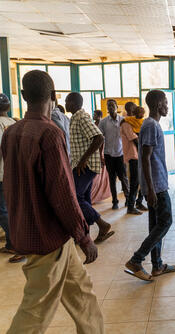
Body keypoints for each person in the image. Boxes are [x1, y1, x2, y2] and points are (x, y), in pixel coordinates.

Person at [2, 70, 103, 333]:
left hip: (42, 233)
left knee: (83, 296)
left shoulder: (10, 133)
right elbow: (63, 195)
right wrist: (84, 236)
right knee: (35, 312)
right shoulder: (50, 134)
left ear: (23, 96)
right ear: (55, 96)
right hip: (47, 238)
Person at [124, 90, 175, 281]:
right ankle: (136, 259)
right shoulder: (150, 125)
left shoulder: (152, 125)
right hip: (156, 185)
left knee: (156, 224)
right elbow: (146, 159)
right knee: (166, 221)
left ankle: (157, 266)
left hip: (157, 183)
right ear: (157, 104)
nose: (167, 106)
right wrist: (150, 189)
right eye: (165, 103)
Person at [67, 92, 114, 243]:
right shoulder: (75, 118)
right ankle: (85, 233)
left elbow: (99, 137)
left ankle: (102, 224)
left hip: (84, 166)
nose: (65, 103)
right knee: (84, 199)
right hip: (81, 165)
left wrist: (82, 161)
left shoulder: (81, 117)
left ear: (73, 103)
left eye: (67, 101)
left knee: (75, 198)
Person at [0, 94, 25, 263]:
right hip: (15, 172)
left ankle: (18, 245)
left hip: (2, 173)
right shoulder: (16, 123)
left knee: (2, 211)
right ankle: (11, 243)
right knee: (11, 209)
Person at [99, 99, 130, 210]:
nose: (110, 107)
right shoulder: (103, 122)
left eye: (112, 105)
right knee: (112, 179)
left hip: (121, 154)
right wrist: (100, 155)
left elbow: (128, 138)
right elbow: (100, 140)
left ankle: (128, 199)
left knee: (123, 178)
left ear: (117, 107)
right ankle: (115, 201)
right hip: (108, 154)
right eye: (109, 106)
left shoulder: (123, 121)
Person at [121, 106, 148, 215]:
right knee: (135, 182)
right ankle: (130, 206)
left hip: (139, 155)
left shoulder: (138, 122)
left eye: (142, 112)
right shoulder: (126, 123)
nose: (141, 114)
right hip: (133, 155)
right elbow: (135, 139)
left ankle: (139, 202)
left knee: (142, 179)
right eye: (139, 111)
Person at [90, 109, 112, 204]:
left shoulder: (102, 124)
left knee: (101, 174)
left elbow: (102, 139)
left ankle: (98, 195)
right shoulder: (93, 124)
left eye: (95, 114)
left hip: (101, 149)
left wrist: (101, 153)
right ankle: (94, 195)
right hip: (95, 149)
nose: (93, 116)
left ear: (99, 115)